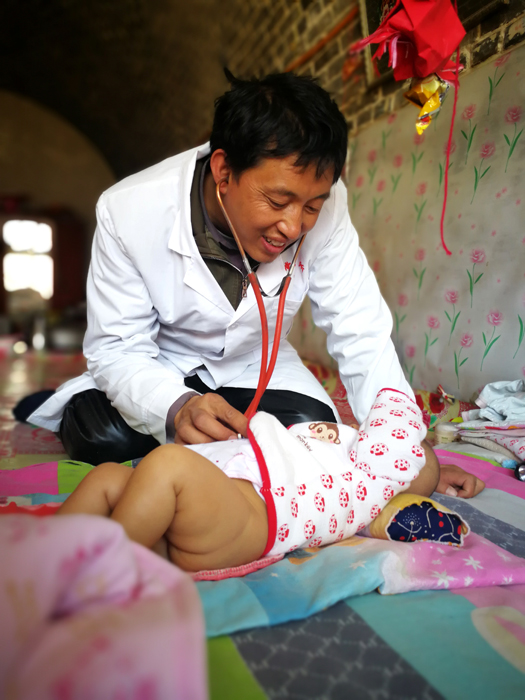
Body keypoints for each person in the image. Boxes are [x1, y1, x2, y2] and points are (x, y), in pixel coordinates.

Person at [28, 71, 483, 500]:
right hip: (158, 361)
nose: (293, 226)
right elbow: (119, 347)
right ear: (224, 172)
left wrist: (403, 448)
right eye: (278, 201)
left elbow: (359, 326)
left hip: (251, 365)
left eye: (311, 207)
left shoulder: (327, 205)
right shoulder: (128, 209)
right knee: (104, 437)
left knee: (315, 431)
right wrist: (177, 406)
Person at [57, 389, 430, 571]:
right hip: (201, 509)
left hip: (249, 515)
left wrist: (399, 405)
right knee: (108, 477)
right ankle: (48, 552)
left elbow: (397, 424)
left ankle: (99, 579)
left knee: (168, 465)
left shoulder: (377, 476)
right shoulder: (344, 455)